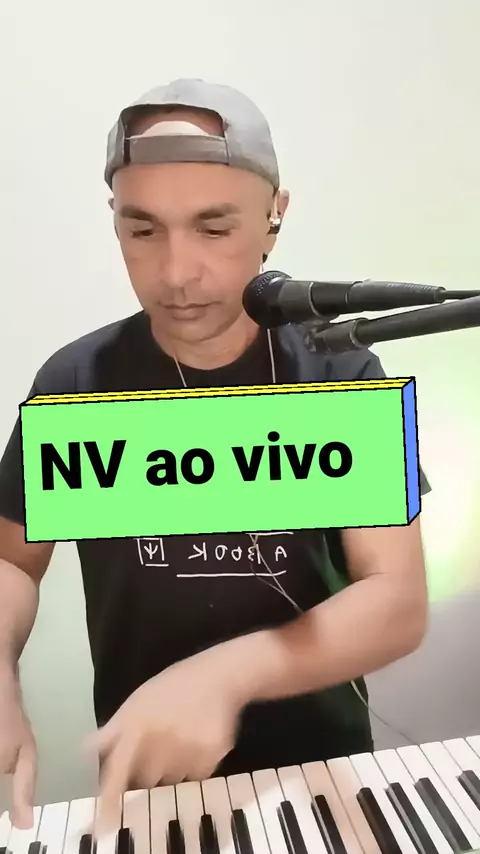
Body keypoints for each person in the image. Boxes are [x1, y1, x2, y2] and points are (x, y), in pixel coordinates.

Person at [0, 78, 430, 829]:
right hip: (154, 792)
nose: (176, 274)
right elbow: (12, 563)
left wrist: (227, 677)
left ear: (273, 218)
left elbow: (397, 598)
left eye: (213, 228)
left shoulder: (340, 371)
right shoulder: (76, 383)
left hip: (323, 776)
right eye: (142, 231)